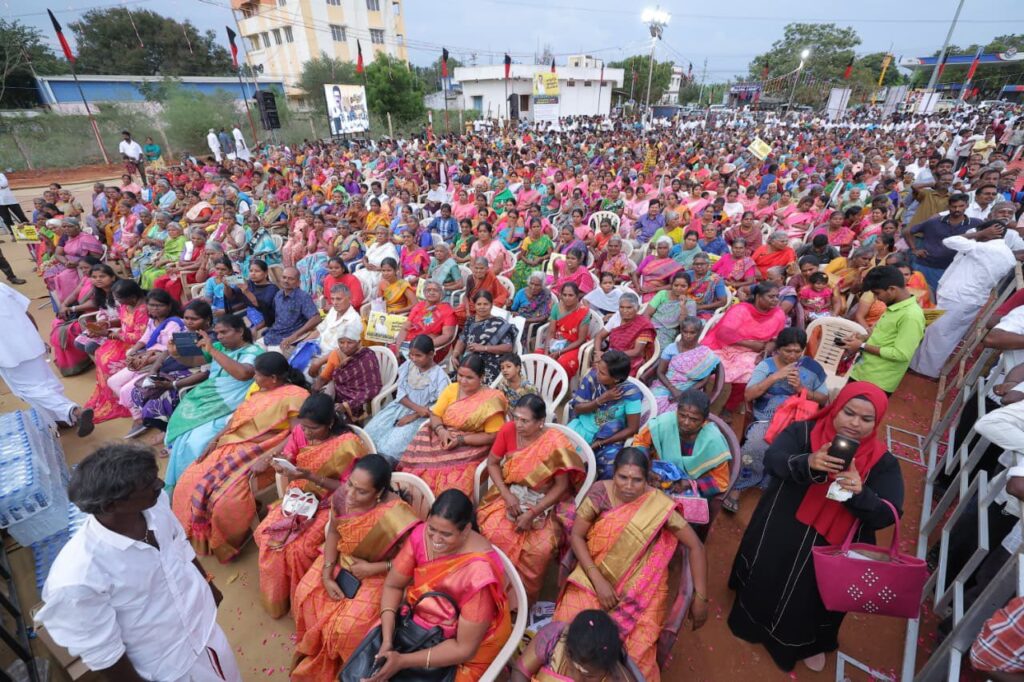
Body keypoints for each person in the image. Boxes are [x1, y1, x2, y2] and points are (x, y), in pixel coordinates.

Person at [728, 382, 904, 672]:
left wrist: (859, 492)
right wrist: (808, 461)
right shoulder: (805, 432)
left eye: (866, 419)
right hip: (783, 524)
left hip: (833, 545)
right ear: (836, 408)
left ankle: (804, 644)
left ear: (877, 422)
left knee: (814, 593)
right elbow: (773, 460)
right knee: (770, 572)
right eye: (849, 413)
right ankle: (752, 623)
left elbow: (888, 513)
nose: (855, 424)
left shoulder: (882, 463)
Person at [36, 443, 241, 682]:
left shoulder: (156, 504)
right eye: (148, 484)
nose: (160, 485)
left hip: (205, 629)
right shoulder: (77, 577)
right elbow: (104, 653)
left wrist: (207, 583)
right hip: (169, 668)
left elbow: (179, 544)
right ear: (111, 505)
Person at [554, 448, 708, 682]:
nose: (628, 486)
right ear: (614, 473)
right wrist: (599, 582)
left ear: (647, 479)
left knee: (636, 659)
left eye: (637, 480)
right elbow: (577, 536)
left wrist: (701, 598)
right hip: (593, 577)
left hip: (641, 590)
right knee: (569, 635)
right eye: (623, 477)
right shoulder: (600, 493)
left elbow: (696, 546)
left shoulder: (658, 504)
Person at [289, 455, 422, 681]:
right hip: (342, 558)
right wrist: (327, 574)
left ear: (379, 493)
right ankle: (314, 651)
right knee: (305, 593)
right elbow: (333, 532)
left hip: (381, 574)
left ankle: (345, 669)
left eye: (361, 492)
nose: (350, 494)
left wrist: (374, 568)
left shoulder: (397, 516)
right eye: (350, 484)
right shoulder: (342, 496)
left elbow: (411, 563)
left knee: (346, 627)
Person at [363, 490, 512, 682]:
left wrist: (402, 661)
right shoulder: (421, 535)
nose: (435, 539)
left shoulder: (480, 574)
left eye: (446, 534)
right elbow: (393, 586)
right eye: (432, 529)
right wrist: (387, 640)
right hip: (416, 624)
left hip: (460, 650)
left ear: (466, 529)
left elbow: (464, 649)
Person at [172, 351, 309, 561]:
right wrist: (214, 440)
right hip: (232, 444)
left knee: (223, 501)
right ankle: (195, 532)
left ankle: (224, 541)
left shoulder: (296, 396)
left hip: (265, 451)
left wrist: (266, 458)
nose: (254, 378)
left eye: (258, 374)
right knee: (188, 482)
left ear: (273, 378)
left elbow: (296, 435)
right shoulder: (258, 390)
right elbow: (235, 420)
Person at [254, 393, 371, 617]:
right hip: (300, 495)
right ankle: (279, 598)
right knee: (266, 535)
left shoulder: (348, 445)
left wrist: (311, 476)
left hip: (331, 502)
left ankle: (298, 597)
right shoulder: (300, 431)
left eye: (313, 428)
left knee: (298, 550)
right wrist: (282, 464)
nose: (306, 433)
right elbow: (291, 455)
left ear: (330, 422)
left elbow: (350, 490)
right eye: (304, 427)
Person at [478, 394, 585, 600]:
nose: (518, 424)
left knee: (540, 549)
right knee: (493, 531)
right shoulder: (508, 430)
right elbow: (492, 463)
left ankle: (522, 600)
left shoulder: (555, 442)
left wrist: (533, 512)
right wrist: (507, 495)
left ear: (540, 422)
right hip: (511, 492)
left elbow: (561, 486)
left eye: (525, 421)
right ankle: (492, 590)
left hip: (546, 500)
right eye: (516, 417)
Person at [724, 328, 828, 513]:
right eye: (788, 351)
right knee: (755, 446)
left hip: (798, 419)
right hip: (767, 418)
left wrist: (802, 389)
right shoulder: (766, 366)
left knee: (801, 451)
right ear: (778, 349)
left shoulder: (812, 367)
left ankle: (773, 488)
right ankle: (738, 487)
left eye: (797, 351)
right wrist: (774, 378)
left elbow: (823, 398)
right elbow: (749, 395)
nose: (793, 355)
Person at [164, 314, 261, 490]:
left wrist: (213, 350)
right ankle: (184, 483)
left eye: (224, 332)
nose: (220, 337)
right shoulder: (218, 348)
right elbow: (194, 361)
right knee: (183, 435)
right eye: (217, 333)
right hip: (209, 401)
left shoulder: (254, 352)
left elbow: (243, 374)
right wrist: (176, 354)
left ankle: (197, 484)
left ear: (240, 331)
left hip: (233, 406)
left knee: (196, 442)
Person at [909, 219, 1016, 379]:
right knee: (939, 332)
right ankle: (919, 366)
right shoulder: (1005, 253)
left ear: (990, 233)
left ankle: (925, 371)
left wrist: (980, 234)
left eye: (980, 232)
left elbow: (949, 241)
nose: (976, 235)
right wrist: (980, 235)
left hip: (958, 298)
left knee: (940, 333)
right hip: (964, 298)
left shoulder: (986, 248)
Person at [398, 354, 507, 495]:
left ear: (481, 377)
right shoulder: (452, 389)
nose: (463, 381)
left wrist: (460, 440)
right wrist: (441, 431)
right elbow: (435, 414)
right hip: (442, 435)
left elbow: (493, 436)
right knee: (415, 472)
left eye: (469, 377)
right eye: (460, 375)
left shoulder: (491, 400)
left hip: (472, 444)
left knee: (452, 483)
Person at [0, 282, 90, 434]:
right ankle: (63, 419)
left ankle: (73, 411)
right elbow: (26, 313)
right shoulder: (1, 287)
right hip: (29, 343)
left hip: (8, 354)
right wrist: (36, 337)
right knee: (46, 382)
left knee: (28, 390)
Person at [104, 289, 185, 436]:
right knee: (112, 381)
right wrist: (133, 352)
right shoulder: (152, 320)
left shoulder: (174, 323)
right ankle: (139, 413)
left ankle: (140, 419)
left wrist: (143, 359)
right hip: (145, 357)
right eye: (151, 305)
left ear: (169, 306)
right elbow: (145, 339)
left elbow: (170, 350)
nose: (154, 308)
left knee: (126, 390)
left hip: (162, 361)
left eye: (159, 305)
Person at [128, 299, 215, 433]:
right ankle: (158, 424)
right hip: (171, 371)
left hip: (192, 375)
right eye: (186, 318)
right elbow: (166, 352)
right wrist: (153, 371)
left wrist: (173, 384)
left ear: (207, 319)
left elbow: (205, 372)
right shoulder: (184, 333)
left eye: (194, 319)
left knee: (156, 402)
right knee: (140, 390)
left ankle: (168, 430)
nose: (189, 322)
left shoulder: (212, 340)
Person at [701, 282, 787, 414]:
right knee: (717, 369)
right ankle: (711, 406)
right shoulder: (741, 310)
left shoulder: (778, 314)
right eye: (771, 296)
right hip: (726, 346)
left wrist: (765, 352)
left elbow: (775, 340)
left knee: (753, 370)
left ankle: (730, 407)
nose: (775, 300)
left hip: (753, 352)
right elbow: (723, 334)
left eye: (777, 296)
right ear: (758, 297)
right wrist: (751, 344)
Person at [633, 389, 733, 499]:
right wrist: (646, 468)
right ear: (677, 411)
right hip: (657, 476)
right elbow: (640, 442)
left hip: (689, 487)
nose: (686, 422)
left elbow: (721, 481)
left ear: (704, 420)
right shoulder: (663, 423)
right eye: (682, 415)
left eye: (694, 419)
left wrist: (691, 484)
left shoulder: (713, 441)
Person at [365, 334, 450, 460]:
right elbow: (401, 393)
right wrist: (416, 408)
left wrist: (413, 415)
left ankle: (382, 465)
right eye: (411, 355)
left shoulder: (439, 376)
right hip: (400, 406)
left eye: (418, 355)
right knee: (370, 432)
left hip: (421, 417)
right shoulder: (408, 366)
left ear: (431, 354)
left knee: (391, 447)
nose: (414, 359)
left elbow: (438, 406)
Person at [81, 279, 150, 423]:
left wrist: (109, 334)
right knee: (100, 353)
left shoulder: (143, 310)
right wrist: (106, 324)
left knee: (108, 361)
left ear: (132, 297)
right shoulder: (127, 305)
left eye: (119, 298)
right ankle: (115, 396)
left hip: (138, 346)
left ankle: (125, 399)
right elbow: (122, 321)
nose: (117, 301)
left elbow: (139, 337)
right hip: (121, 339)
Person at [567, 351, 643, 479]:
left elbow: (632, 428)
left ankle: (598, 489)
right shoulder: (592, 379)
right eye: (598, 368)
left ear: (616, 379)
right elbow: (578, 409)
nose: (597, 373)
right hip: (583, 426)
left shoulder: (630, 393)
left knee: (610, 469)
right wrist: (601, 400)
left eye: (602, 373)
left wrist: (601, 443)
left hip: (610, 437)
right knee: (563, 456)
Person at [512, 609, 639, 682]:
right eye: (573, 669)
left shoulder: (619, 679)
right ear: (567, 650)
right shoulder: (553, 638)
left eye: (589, 677)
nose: (577, 679)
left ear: (608, 669)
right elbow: (520, 673)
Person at [313, 320, 382, 421]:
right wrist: (314, 395)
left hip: (361, 401)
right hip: (338, 394)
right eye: (341, 342)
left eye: (350, 342)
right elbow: (324, 377)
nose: (345, 346)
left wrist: (346, 405)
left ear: (359, 342)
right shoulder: (336, 354)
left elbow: (372, 388)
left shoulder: (367, 357)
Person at [49, 257, 108, 376]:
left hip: (91, 317)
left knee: (66, 331)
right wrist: (64, 305)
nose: (84, 270)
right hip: (81, 313)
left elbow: (95, 303)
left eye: (86, 267)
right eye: (81, 268)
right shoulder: (86, 278)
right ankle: (74, 363)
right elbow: (75, 293)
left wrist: (72, 309)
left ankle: (80, 363)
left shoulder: (99, 281)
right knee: (56, 322)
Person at [650, 316, 720, 414]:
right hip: (666, 385)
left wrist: (684, 393)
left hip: (691, 390)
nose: (688, 336)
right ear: (681, 331)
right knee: (651, 406)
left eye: (692, 333)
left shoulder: (705, 354)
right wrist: (673, 389)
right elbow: (660, 372)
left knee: (681, 413)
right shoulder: (671, 348)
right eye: (685, 332)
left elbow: (704, 380)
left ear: (699, 332)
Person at [452, 290, 517, 384]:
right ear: (474, 305)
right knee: (454, 380)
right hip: (470, 360)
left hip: (490, 362)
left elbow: (508, 347)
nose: (482, 307)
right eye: (479, 304)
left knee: (476, 382)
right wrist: (455, 353)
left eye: (485, 304)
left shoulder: (499, 323)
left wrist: (483, 348)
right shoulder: (470, 321)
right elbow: (462, 338)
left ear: (491, 305)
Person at [593, 292, 656, 377]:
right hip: (610, 356)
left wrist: (609, 355)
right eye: (621, 307)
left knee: (610, 376)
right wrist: (598, 354)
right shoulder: (617, 317)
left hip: (628, 361)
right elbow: (599, 336)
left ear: (637, 308)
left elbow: (636, 352)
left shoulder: (644, 325)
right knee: (594, 375)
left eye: (629, 308)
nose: (624, 311)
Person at [538, 281, 592, 377]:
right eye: (564, 295)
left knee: (563, 362)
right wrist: (546, 352)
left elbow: (581, 340)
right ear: (561, 295)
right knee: (539, 356)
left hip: (573, 345)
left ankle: (559, 386)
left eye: (571, 295)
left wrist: (560, 352)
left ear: (577, 296)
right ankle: (540, 384)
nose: (567, 298)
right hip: (556, 342)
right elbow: (551, 332)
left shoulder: (584, 312)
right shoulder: (556, 307)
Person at [393, 280, 457, 358]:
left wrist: (422, 346)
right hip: (409, 343)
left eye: (435, 290)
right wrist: (398, 348)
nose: (431, 292)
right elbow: (405, 328)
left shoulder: (447, 311)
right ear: (424, 293)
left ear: (441, 293)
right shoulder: (419, 306)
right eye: (428, 290)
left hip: (429, 349)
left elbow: (447, 336)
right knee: (390, 351)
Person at [262, 266, 320, 350]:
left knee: (270, 356)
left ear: (298, 282)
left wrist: (294, 336)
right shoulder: (278, 295)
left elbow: (316, 318)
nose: (286, 281)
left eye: (291, 279)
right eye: (284, 277)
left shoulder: (303, 297)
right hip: (274, 334)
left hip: (289, 337)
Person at [643, 271, 696, 350]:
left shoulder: (690, 303)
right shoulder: (662, 294)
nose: (679, 288)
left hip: (668, 331)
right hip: (650, 326)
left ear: (689, 287)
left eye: (683, 286)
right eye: (676, 285)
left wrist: (682, 306)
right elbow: (647, 313)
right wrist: (649, 329)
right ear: (671, 285)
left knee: (658, 349)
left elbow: (685, 326)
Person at [457, 256, 510, 325]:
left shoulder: (491, 277)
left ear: (487, 268)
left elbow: (502, 293)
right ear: (473, 268)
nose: (478, 271)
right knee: (456, 314)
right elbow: (466, 296)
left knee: (481, 318)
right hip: (472, 306)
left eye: (481, 268)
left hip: (485, 307)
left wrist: (490, 305)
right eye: (476, 268)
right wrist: (467, 312)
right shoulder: (470, 278)